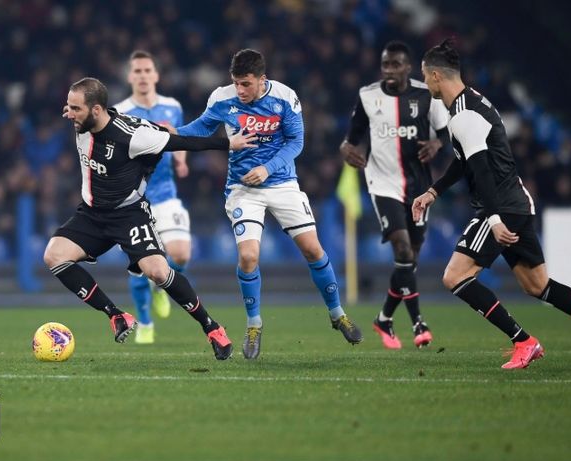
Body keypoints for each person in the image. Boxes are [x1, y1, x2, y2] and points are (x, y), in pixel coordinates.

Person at [412, 39, 571, 369]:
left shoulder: (462, 115)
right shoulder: (473, 103)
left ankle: (524, 341)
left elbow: (483, 172)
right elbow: (464, 162)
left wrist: (493, 220)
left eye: (424, 77)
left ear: (434, 76)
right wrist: (433, 192)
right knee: (538, 285)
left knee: (454, 277)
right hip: (517, 203)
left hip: (500, 206)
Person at [45, 77, 256, 359]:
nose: (69, 114)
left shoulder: (133, 135)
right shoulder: (83, 122)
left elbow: (180, 142)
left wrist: (227, 143)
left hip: (129, 214)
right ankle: (115, 314)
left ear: (96, 110)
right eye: (68, 107)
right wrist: (73, 109)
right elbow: (87, 114)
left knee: (157, 271)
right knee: (54, 256)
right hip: (93, 214)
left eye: (75, 108)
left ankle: (212, 327)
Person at [176, 49, 363, 359]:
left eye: (246, 84)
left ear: (262, 80)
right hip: (241, 188)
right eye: (236, 83)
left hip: (282, 183)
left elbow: (296, 142)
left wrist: (267, 168)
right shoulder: (222, 99)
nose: (240, 90)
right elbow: (200, 129)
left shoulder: (285, 98)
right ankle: (254, 324)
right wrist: (167, 136)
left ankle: (337, 313)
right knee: (248, 257)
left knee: (313, 250)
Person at [340, 40, 451, 350]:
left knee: (409, 260)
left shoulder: (426, 95)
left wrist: (437, 145)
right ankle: (418, 322)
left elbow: (445, 133)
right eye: (385, 64)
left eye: (395, 65)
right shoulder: (368, 96)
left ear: (407, 67)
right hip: (383, 183)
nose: (388, 70)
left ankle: (384, 318)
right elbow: (350, 139)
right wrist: (347, 152)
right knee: (402, 251)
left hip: (419, 186)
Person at [113, 50, 190, 344]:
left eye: (148, 70)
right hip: (134, 197)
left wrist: (181, 159)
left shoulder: (172, 107)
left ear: (156, 75)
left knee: (180, 254)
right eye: (138, 71)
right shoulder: (119, 111)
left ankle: (161, 286)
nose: (143, 76)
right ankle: (145, 323)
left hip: (166, 192)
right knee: (136, 265)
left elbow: (178, 138)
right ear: (130, 76)